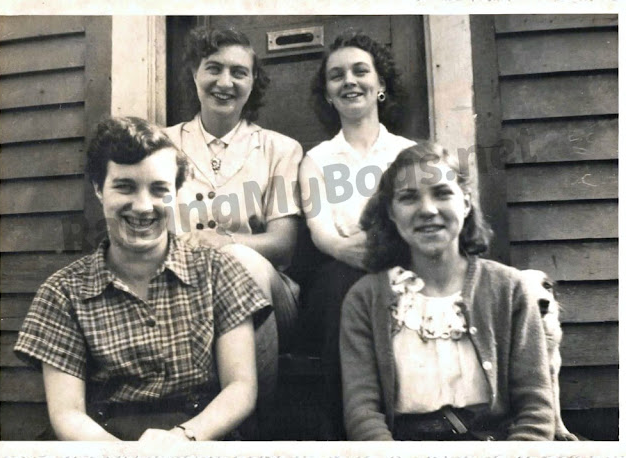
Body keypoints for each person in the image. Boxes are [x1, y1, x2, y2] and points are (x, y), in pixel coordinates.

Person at [14, 117, 270, 441]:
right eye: (125, 187)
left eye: (159, 189)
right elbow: (67, 413)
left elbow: (240, 388)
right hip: (101, 444)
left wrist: (182, 439)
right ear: (98, 189)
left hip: (198, 439)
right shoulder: (62, 293)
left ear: (176, 193)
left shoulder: (218, 272)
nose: (143, 206)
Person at [340, 142, 555, 441]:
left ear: (465, 204)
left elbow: (536, 409)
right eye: (409, 198)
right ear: (391, 213)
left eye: (442, 194)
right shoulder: (365, 299)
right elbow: (362, 413)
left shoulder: (510, 289)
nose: (428, 210)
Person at [297, 30, 415, 438]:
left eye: (360, 71)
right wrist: (369, 249)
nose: (349, 81)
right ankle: (347, 435)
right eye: (337, 76)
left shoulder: (408, 154)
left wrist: (389, 250)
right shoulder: (316, 161)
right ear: (328, 95)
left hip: (404, 267)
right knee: (342, 289)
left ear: (380, 84)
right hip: (341, 274)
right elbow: (324, 236)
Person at [164, 27, 302, 352]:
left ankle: (250, 386)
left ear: (253, 82)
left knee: (242, 261)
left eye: (239, 73)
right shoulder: (162, 145)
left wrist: (225, 243)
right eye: (213, 68)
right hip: (182, 290)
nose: (225, 83)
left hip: (266, 293)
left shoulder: (280, 149)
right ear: (194, 74)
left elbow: (283, 245)